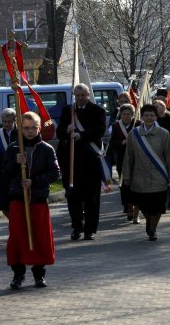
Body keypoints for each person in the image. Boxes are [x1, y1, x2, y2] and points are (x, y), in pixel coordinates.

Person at [3, 111, 60, 289]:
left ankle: (39, 274)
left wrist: (34, 181)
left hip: (37, 199)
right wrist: (15, 162)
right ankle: (18, 275)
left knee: (39, 237)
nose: (29, 131)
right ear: (20, 128)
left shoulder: (46, 149)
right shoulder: (13, 148)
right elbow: (5, 172)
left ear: (39, 128)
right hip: (18, 199)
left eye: (32, 128)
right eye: (25, 128)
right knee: (18, 237)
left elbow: (55, 172)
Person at [57, 83, 107, 241]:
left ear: (88, 95)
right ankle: (76, 226)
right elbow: (58, 132)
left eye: (82, 95)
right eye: (77, 95)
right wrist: (66, 130)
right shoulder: (68, 110)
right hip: (71, 161)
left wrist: (82, 135)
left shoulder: (97, 111)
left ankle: (90, 229)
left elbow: (100, 130)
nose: (79, 98)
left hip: (90, 160)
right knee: (73, 196)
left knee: (91, 197)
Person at [122, 104, 170, 241]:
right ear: (141, 116)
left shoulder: (164, 134)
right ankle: (150, 223)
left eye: (152, 115)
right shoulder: (133, 134)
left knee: (158, 207)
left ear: (156, 116)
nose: (149, 118)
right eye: (146, 115)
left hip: (159, 177)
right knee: (145, 207)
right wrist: (127, 176)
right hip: (139, 178)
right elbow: (128, 157)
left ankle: (152, 229)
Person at [107, 103, 140, 222]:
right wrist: (122, 142)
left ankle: (136, 207)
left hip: (137, 158)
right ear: (120, 114)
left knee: (136, 183)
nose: (126, 116)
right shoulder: (116, 126)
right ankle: (127, 206)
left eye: (129, 114)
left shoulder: (137, 124)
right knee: (124, 183)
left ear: (133, 114)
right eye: (124, 114)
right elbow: (112, 143)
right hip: (122, 159)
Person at [153, 100, 170, 209]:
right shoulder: (152, 120)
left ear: (163, 106)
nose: (157, 107)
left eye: (159, 105)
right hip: (156, 151)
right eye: (154, 106)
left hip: (169, 150)